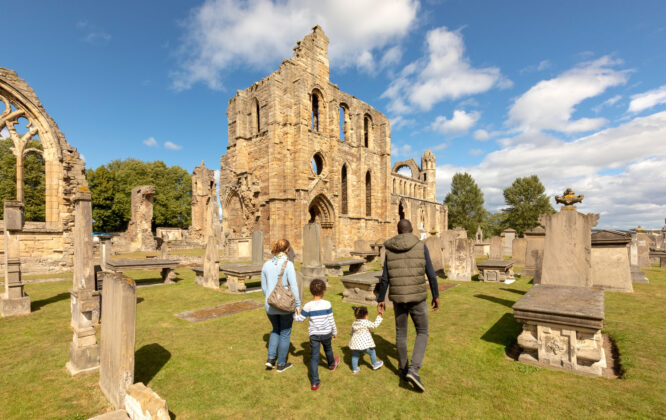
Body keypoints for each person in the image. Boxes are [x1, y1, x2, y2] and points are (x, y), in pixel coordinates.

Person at [377, 219, 439, 392]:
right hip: (418, 298)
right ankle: (414, 369)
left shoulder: (390, 250)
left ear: (398, 231)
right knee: (422, 331)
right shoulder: (421, 246)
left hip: (398, 298)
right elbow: (431, 274)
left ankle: (403, 369)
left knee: (401, 334)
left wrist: (380, 299)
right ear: (411, 230)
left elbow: (385, 278)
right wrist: (436, 295)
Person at [261, 239, 301, 372]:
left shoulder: (266, 265)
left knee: (275, 330)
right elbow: (294, 286)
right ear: (287, 250)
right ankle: (281, 364)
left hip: (270, 305)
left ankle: (270, 359)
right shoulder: (288, 264)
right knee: (285, 333)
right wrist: (298, 304)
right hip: (284, 305)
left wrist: (271, 299)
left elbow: (264, 287)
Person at [294, 278, 340, 390]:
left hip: (314, 335)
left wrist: (295, 314)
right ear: (324, 290)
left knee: (314, 357)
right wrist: (335, 332)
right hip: (326, 333)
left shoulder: (308, 306)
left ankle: (314, 383)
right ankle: (331, 364)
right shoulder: (327, 304)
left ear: (311, 291)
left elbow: (300, 319)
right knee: (328, 349)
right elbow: (331, 319)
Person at [349, 306, 384, 374]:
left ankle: (355, 369)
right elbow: (374, 325)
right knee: (372, 352)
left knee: (355, 355)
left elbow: (352, 332)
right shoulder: (365, 322)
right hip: (364, 344)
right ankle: (375, 364)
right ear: (365, 315)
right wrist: (379, 316)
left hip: (355, 344)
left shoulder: (354, 323)